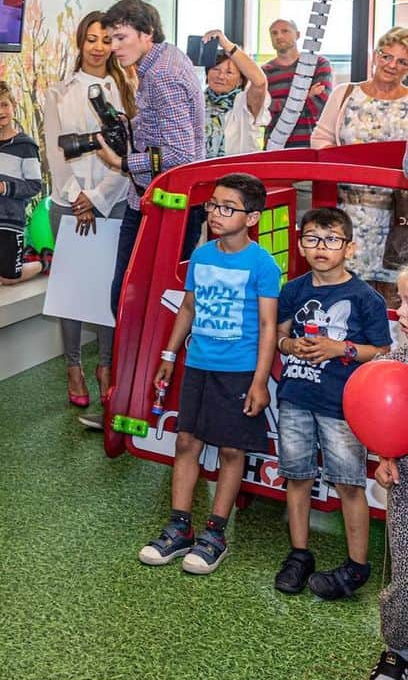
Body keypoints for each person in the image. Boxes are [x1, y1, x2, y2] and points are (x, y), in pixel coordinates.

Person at [139, 173, 279, 574]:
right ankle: (179, 527)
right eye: (213, 205)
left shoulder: (263, 265)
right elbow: (188, 308)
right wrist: (170, 353)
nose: (216, 214)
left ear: (251, 218)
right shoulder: (202, 256)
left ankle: (215, 532)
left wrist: (258, 381)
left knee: (233, 449)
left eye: (227, 207)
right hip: (199, 363)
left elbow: (269, 326)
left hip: (238, 371)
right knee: (186, 441)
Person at [272, 207, 389, 599]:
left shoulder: (364, 297)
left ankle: (357, 565)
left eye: (332, 239)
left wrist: (341, 348)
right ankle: (299, 554)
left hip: (342, 406)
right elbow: (280, 336)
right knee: (297, 476)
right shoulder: (293, 290)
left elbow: (383, 351)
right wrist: (291, 345)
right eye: (312, 238)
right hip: (295, 397)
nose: (322, 247)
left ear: (349, 247)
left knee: (348, 482)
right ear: (302, 243)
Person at [44, 10, 135, 408]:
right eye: (91, 39)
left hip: (114, 200)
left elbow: (129, 153)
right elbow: (55, 151)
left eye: (106, 40)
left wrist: (97, 197)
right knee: (71, 292)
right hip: (67, 202)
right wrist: (75, 197)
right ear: (80, 42)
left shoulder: (127, 88)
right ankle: (74, 366)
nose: (99, 47)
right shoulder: (59, 91)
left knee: (107, 290)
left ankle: (107, 366)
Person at [96, 0, 204, 323]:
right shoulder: (167, 57)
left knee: (134, 304)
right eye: (110, 39)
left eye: (121, 37)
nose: (113, 47)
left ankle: (145, 373)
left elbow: (181, 153)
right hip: (156, 197)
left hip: (167, 202)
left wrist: (123, 162)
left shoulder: (161, 76)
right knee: (147, 303)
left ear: (147, 33)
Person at [312, 27, 408, 306]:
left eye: (402, 61)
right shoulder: (345, 93)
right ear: (376, 56)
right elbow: (320, 139)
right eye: (387, 56)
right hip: (345, 209)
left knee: (392, 297)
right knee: (341, 293)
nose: (392, 65)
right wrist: (348, 165)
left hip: (397, 217)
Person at [0, 80, 42, 286]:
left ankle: (41, 263)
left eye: (4, 105)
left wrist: (5, 188)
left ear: (13, 106)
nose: (0, 111)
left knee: (7, 279)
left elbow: (34, 186)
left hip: (10, 221)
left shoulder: (25, 146)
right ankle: (15, 262)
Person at [373, 266, 408, 680]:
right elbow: (384, 412)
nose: (399, 311)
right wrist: (385, 456)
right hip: (407, 488)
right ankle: (398, 649)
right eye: (399, 300)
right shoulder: (398, 359)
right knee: (405, 576)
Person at [262, 18, 333, 148]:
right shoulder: (264, 72)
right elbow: (264, 111)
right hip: (274, 148)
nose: (279, 36)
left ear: (298, 35)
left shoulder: (319, 64)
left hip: (311, 145)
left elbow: (320, 105)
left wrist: (279, 105)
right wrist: (306, 96)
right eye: (274, 33)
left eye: (285, 31)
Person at [200, 29, 270, 159]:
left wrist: (227, 45)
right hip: (201, 173)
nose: (220, 76)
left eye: (229, 72)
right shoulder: (197, 101)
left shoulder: (243, 102)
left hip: (239, 174)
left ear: (240, 80)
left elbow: (260, 82)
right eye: (215, 69)